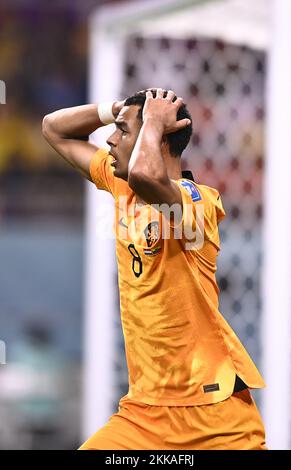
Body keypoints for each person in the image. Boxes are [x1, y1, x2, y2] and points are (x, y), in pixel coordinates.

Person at [42, 88, 267, 450]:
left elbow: (148, 175)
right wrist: (117, 110)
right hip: (144, 415)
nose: (111, 140)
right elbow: (54, 128)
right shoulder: (122, 187)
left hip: (214, 416)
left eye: (123, 132)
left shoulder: (197, 206)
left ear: (156, 137)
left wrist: (153, 121)